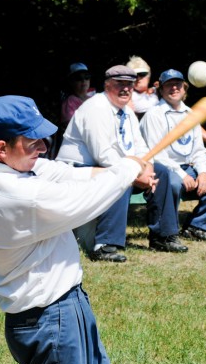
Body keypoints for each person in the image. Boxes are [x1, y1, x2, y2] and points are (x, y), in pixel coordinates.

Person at [0, 95, 152, 364]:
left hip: (60, 310)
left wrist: (123, 170)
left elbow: (51, 170)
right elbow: (91, 197)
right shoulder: (22, 200)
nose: (42, 148)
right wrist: (127, 170)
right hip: (51, 322)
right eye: (32, 143)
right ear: (2, 149)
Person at [57, 65, 189, 261]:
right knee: (120, 176)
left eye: (129, 84)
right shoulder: (96, 108)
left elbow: (141, 146)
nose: (126, 89)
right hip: (79, 170)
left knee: (161, 172)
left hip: (115, 166)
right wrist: (136, 172)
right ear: (107, 85)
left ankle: (163, 236)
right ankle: (105, 245)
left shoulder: (126, 111)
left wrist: (148, 167)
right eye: (120, 84)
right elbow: (103, 155)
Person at [140, 70, 206, 242]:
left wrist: (203, 173)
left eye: (178, 84)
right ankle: (168, 232)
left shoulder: (191, 114)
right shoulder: (154, 115)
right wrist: (182, 174)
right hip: (164, 171)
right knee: (173, 184)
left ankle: (197, 226)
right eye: (169, 84)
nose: (174, 88)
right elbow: (156, 154)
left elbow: (198, 150)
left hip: (188, 167)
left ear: (184, 88)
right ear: (161, 90)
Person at [60, 62, 95, 127]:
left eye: (86, 77)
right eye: (78, 78)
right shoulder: (69, 102)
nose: (83, 80)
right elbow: (71, 125)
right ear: (70, 81)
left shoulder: (94, 97)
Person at [126, 55, 158, 120]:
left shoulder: (157, 91)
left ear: (148, 76)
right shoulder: (127, 95)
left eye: (142, 74)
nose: (138, 78)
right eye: (134, 75)